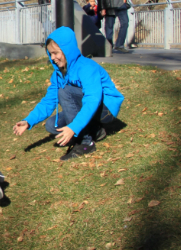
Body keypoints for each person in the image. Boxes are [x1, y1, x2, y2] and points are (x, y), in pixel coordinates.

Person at [12, 27, 125, 160]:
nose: (53, 58)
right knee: (52, 125)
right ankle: (96, 131)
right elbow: (48, 101)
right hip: (87, 107)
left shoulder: (86, 67)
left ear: (67, 50)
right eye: (50, 54)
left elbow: (93, 99)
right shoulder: (58, 74)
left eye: (56, 53)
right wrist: (28, 121)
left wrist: (73, 127)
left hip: (105, 110)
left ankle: (86, 142)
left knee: (65, 91)